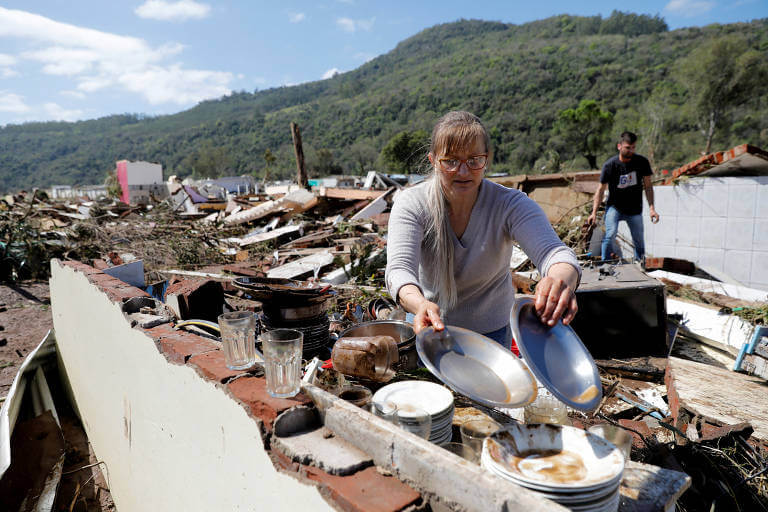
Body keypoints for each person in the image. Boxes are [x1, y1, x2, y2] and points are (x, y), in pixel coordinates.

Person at [385, 111, 581, 348]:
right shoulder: (413, 203)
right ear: (433, 161)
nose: (464, 171)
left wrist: (560, 280)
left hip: (492, 334)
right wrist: (419, 304)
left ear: (486, 159)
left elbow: (554, 253)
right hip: (428, 327)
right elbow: (399, 270)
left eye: (474, 160)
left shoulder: (509, 204)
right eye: (451, 161)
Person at [587, 131, 659, 262]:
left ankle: (639, 264)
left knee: (638, 239)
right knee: (610, 233)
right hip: (615, 207)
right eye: (627, 148)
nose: (631, 151)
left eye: (633, 148)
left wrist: (652, 208)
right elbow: (600, 190)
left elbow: (648, 186)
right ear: (619, 146)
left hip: (634, 208)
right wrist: (593, 212)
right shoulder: (610, 165)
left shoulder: (641, 162)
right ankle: (606, 263)